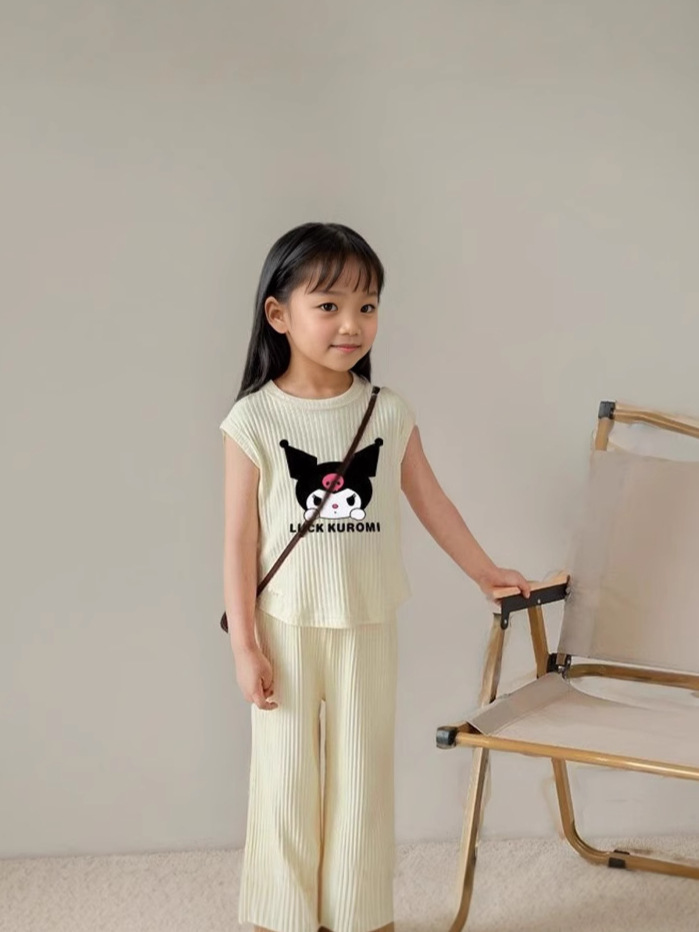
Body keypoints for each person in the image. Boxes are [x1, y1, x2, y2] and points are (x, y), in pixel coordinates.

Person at [220, 221, 530, 932]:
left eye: (367, 305)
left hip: (368, 620)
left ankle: (362, 914)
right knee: (285, 779)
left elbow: (430, 500)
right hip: (283, 626)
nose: (351, 323)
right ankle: (281, 915)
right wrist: (244, 646)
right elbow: (238, 539)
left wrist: (483, 571)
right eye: (328, 305)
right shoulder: (253, 419)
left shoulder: (386, 411)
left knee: (363, 775)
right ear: (279, 314)